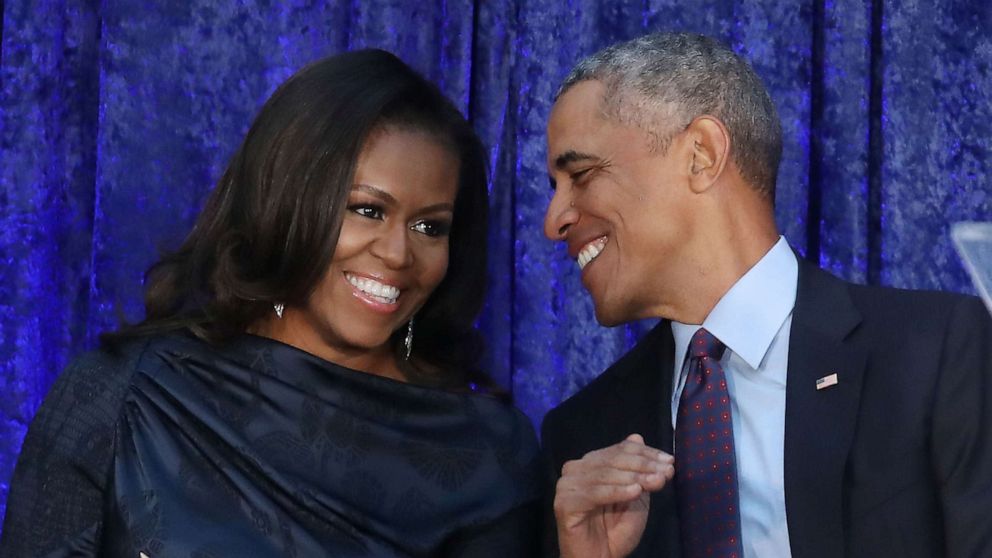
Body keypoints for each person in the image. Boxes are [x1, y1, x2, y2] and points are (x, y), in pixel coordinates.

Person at [1, 49, 542, 556]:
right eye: (367, 211)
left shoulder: (487, 455)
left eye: (430, 226)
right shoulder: (125, 394)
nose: (399, 253)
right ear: (284, 202)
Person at [540, 32, 992, 558]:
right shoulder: (583, 436)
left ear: (701, 155)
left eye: (581, 174)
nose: (555, 221)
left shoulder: (937, 352)